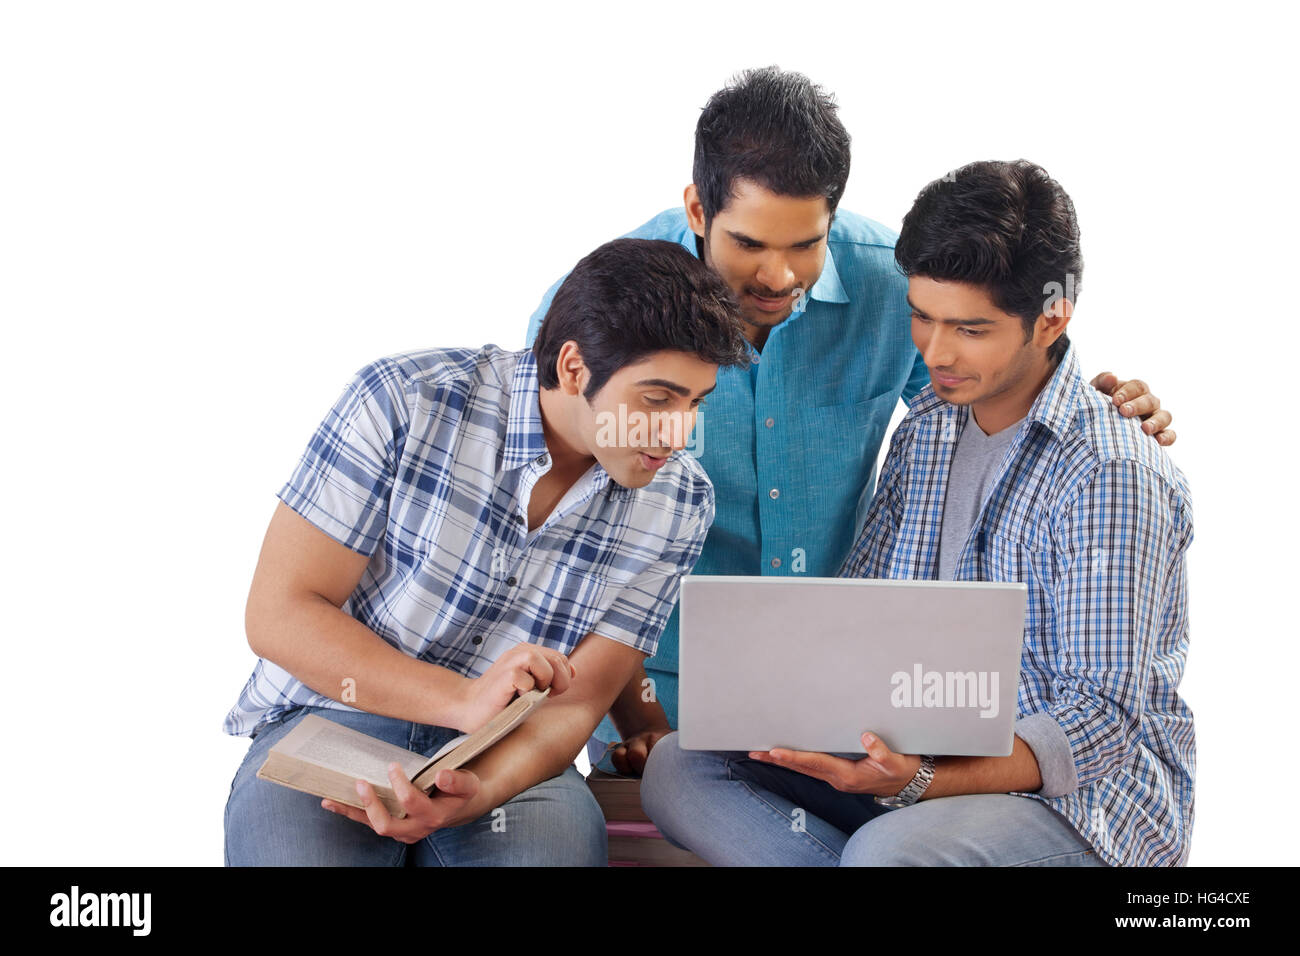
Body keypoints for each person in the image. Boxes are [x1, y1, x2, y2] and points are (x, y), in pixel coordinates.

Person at [524, 67, 1176, 775]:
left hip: (848, 693)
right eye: (748, 244)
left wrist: (1096, 409)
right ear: (697, 209)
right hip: (647, 676)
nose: (777, 277)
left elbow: (987, 405)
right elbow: (564, 534)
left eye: (804, 244)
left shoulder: (893, 286)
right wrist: (638, 715)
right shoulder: (594, 312)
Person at [641, 159, 1195, 867]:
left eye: (969, 328)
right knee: (683, 768)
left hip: (1076, 802)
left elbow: (1100, 724)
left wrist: (925, 784)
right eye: (921, 317)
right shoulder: (929, 427)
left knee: (883, 852)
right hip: (915, 758)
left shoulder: (1111, 472)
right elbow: (858, 614)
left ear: (1051, 316)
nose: (935, 353)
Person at [222, 238, 750, 865]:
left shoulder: (681, 500)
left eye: (696, 403)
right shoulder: (405, 400)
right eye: (658, 400)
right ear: (575, 367)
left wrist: (478, 793)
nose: (678, 433)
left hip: (513, 754)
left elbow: (580, 700)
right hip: (333, 721)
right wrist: (458, 700)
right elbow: (280, 613)